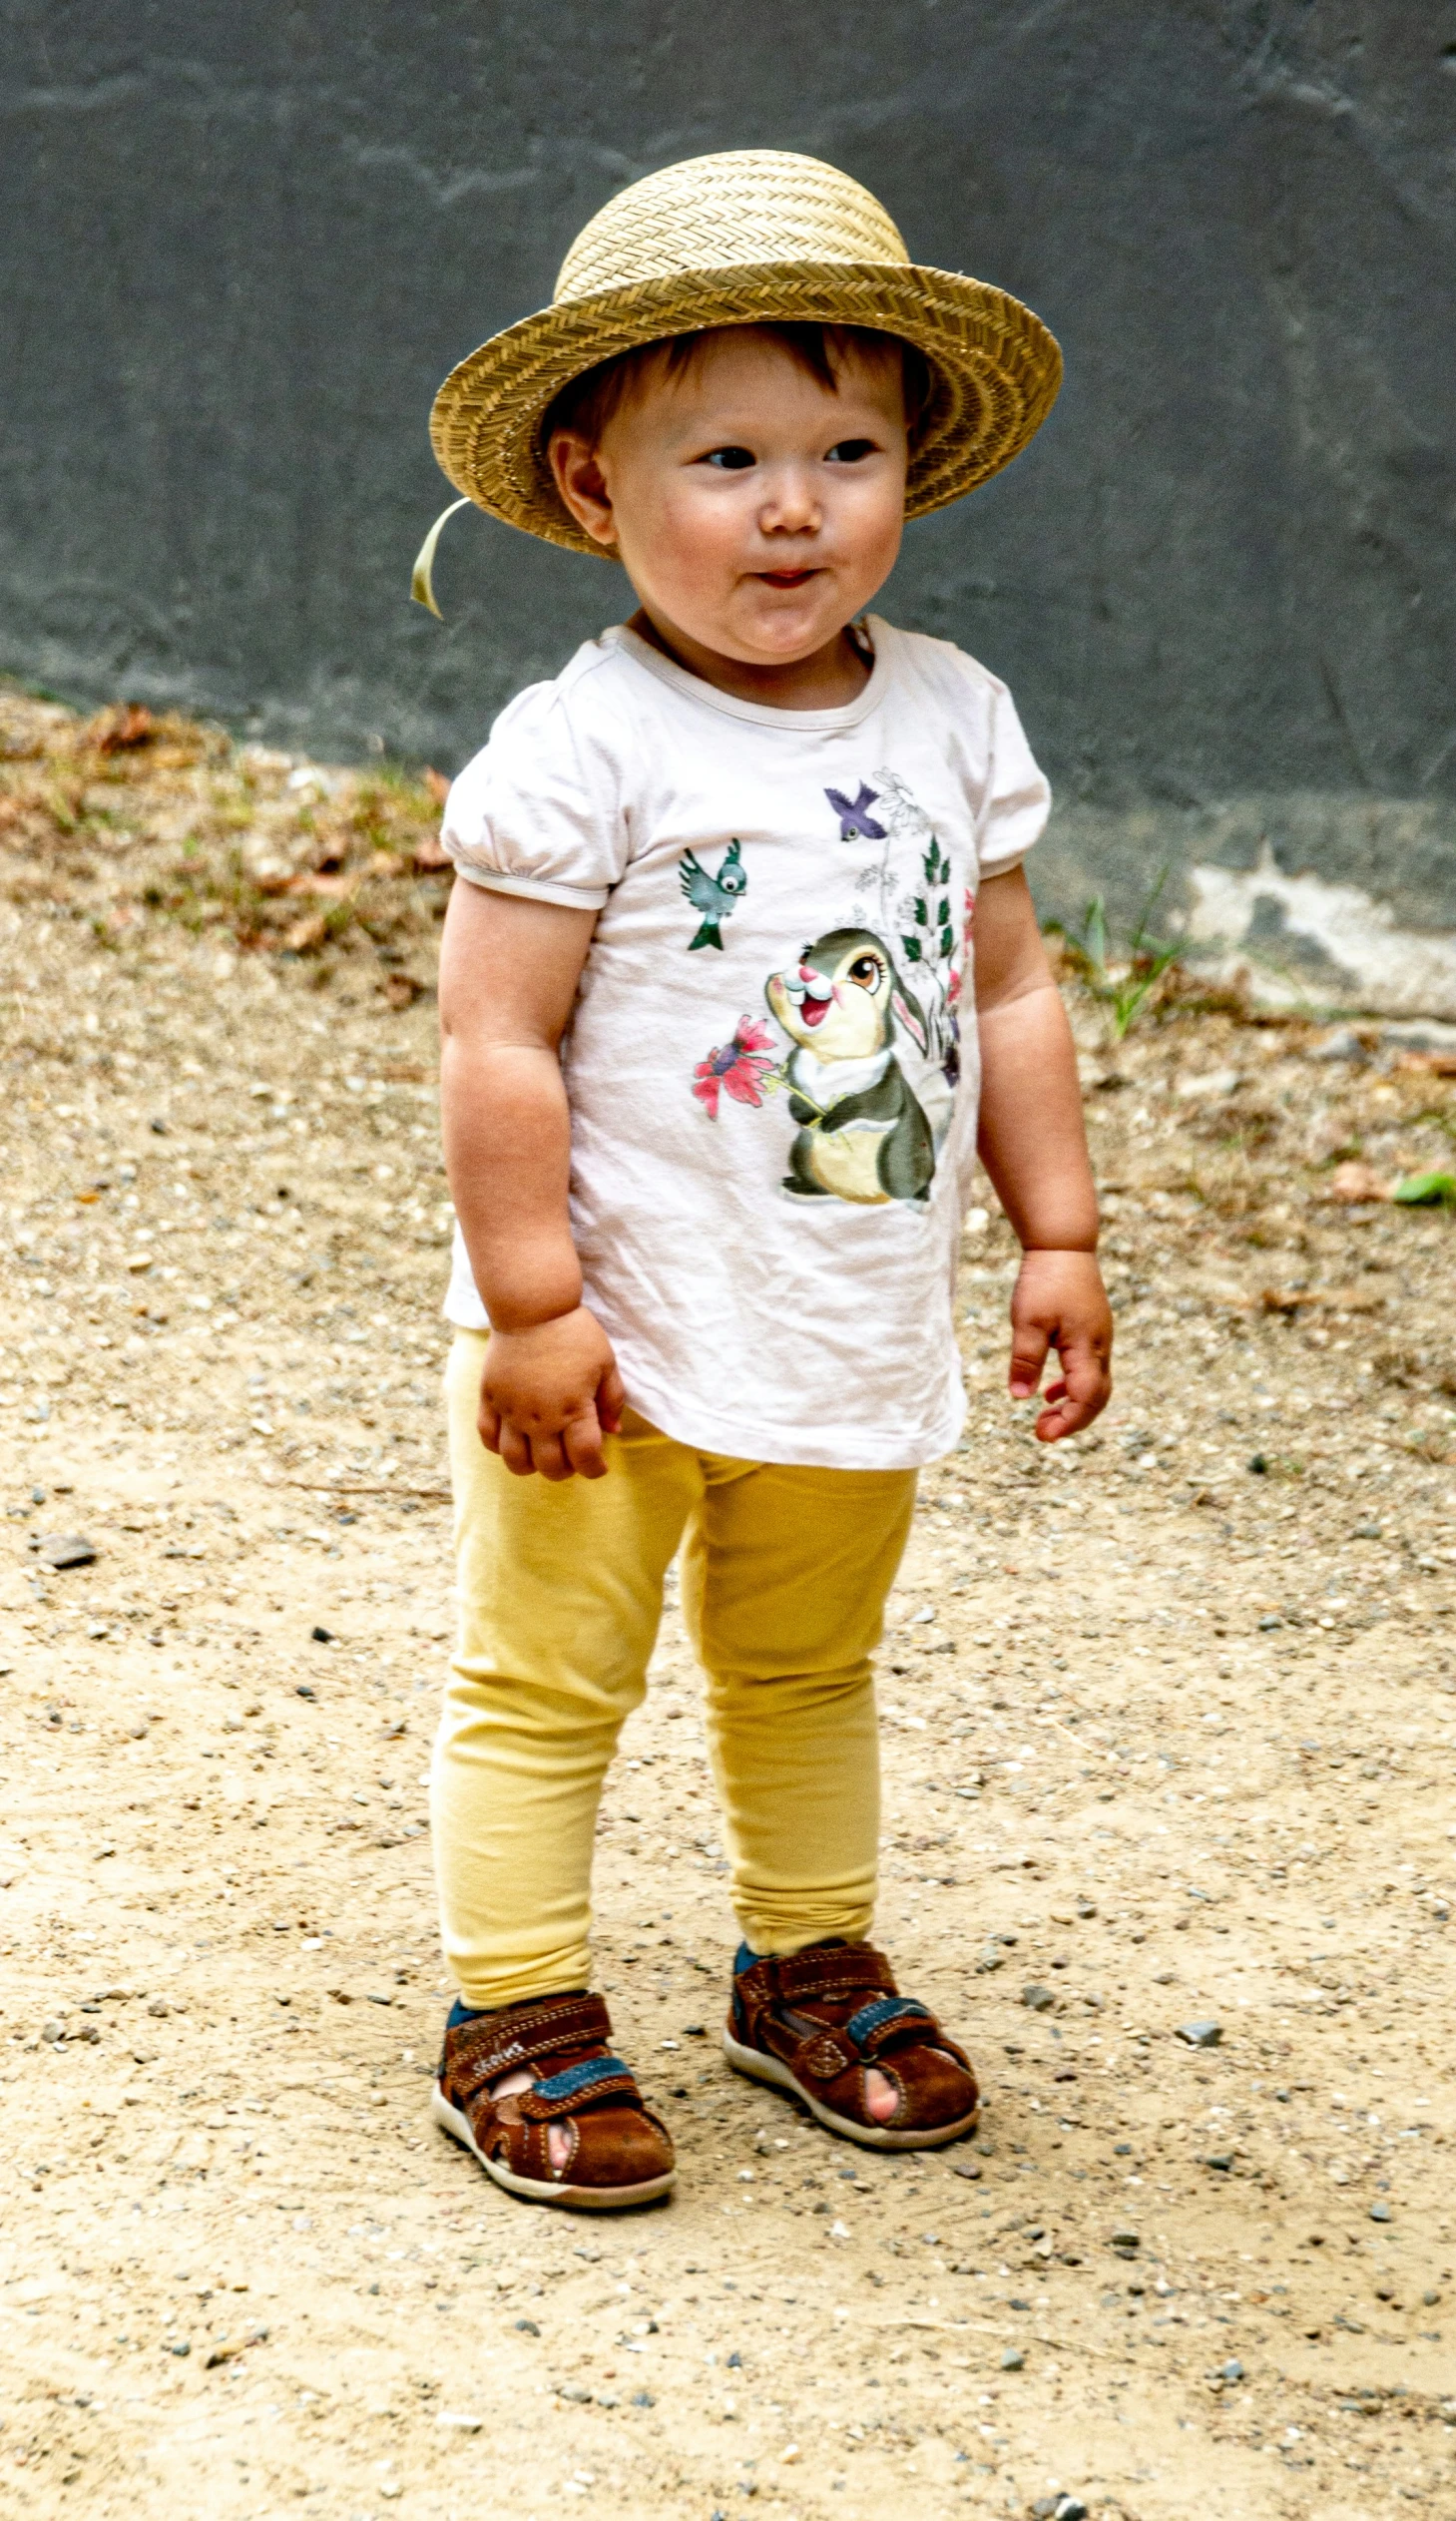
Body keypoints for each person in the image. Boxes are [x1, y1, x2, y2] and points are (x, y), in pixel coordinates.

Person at [417, 150, 1113, 2210]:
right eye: (723, 455)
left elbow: (1005, 988)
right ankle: (515, 2007)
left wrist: (1060, 1231)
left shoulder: (955, 716)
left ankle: (806, 1961)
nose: (794, 506)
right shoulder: (583, 751)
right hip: (615, 1331)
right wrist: (535, 1304)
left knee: (808, 1660)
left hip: (838, 1315)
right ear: (588, 487)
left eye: (846, 448)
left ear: (915, 470)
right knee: (547, 1679)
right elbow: (495, 1041)